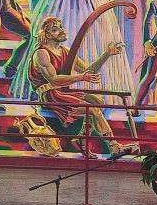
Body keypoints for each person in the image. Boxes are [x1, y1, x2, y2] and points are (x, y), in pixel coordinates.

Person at [28, 16, 127, 157]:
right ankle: (114, 146)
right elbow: (54, 80)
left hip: (63, 91)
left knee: (99, 101)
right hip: (50, 95)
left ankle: (82, 139)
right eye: (55, 29)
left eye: (61, 27)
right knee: (92, 110)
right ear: (48, 35)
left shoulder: (66, 51)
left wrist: (107, 54)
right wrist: (81, 77)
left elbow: (89, 70)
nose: (61, 30)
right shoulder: (41, 53)